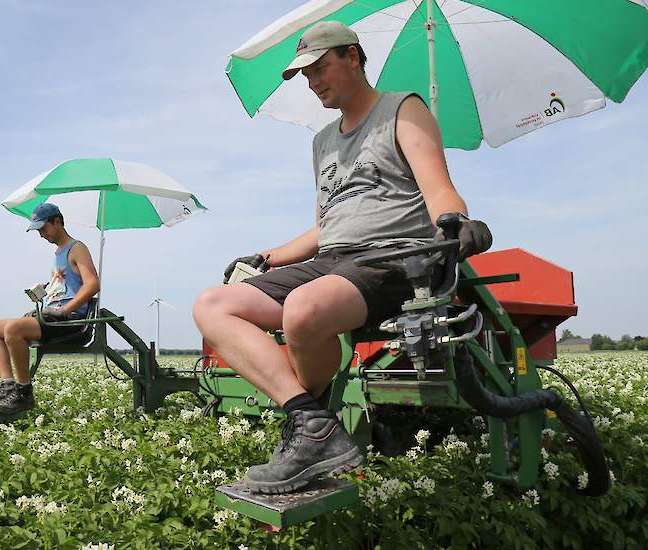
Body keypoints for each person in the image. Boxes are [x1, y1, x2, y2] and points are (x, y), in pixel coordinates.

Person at [192, 21, 492, 494]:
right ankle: (313, 423)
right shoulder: (322, 141)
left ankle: (310, 433)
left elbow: (438, 188)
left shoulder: (403, 109)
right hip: (333, 261)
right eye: (305, 75)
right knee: (212, 304)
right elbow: (326, 226)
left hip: (396, 257)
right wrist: (267, 256)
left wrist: (455, 223)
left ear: (352, 57)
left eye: (319, 68)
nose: (313, 83)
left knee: (303, 309)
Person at [0, 202, 100, 415]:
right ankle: (8, 388)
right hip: (51, 316)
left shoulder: (77, 248)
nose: (41, 234)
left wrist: (65, 310)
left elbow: (92, 284)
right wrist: (48, 287)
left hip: (70, 322)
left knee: (14, 328)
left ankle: (23, 394)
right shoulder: (58, 253)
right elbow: (66, 283)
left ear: (58, 221)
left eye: (43, 228)